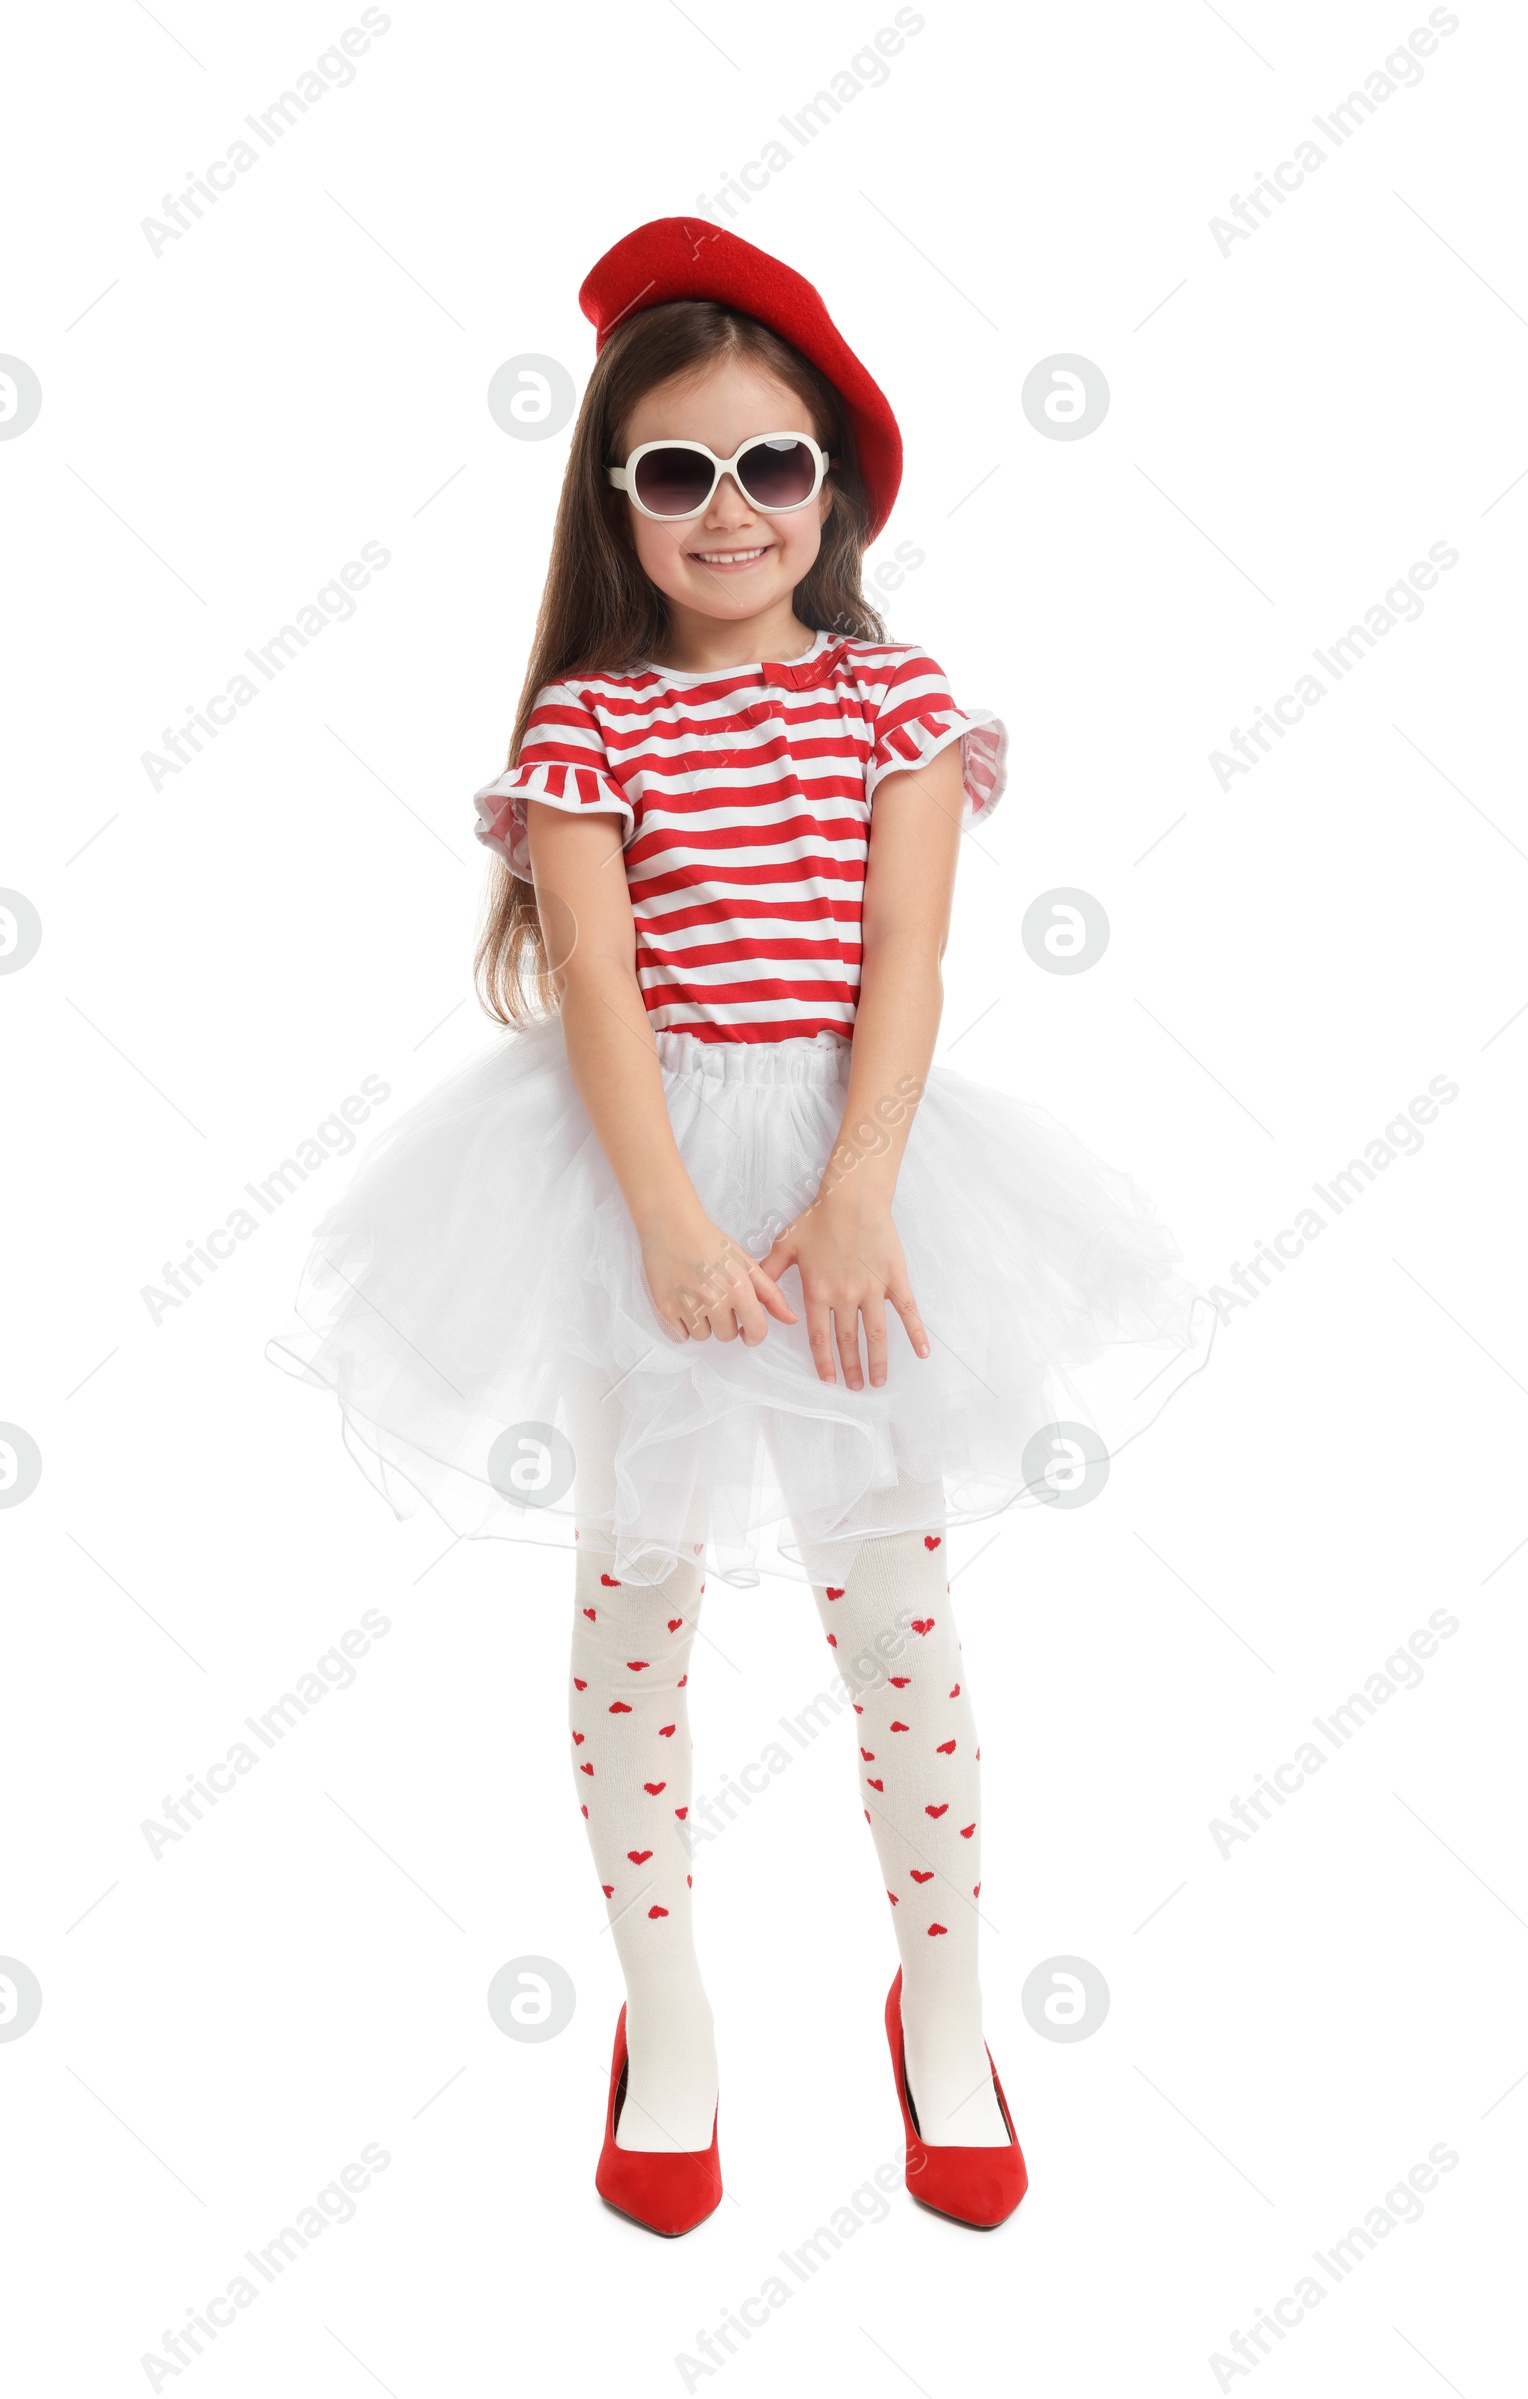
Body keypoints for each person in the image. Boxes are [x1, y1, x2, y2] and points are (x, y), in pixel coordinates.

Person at [272, 215, 1214, 2236]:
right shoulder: (589, 728)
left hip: (859, 1171)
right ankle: (670, 2022)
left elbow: (908, 965)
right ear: (617, 498)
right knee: (637, 1603)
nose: (728, 510)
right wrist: (673, 1228)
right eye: (677, 470)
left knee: (896, 1610)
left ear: (830, 484)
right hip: (640, 1181)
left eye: (768, 464)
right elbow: (598, 995)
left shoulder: (895, 703)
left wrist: (853, 1194)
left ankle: (943, 2011)